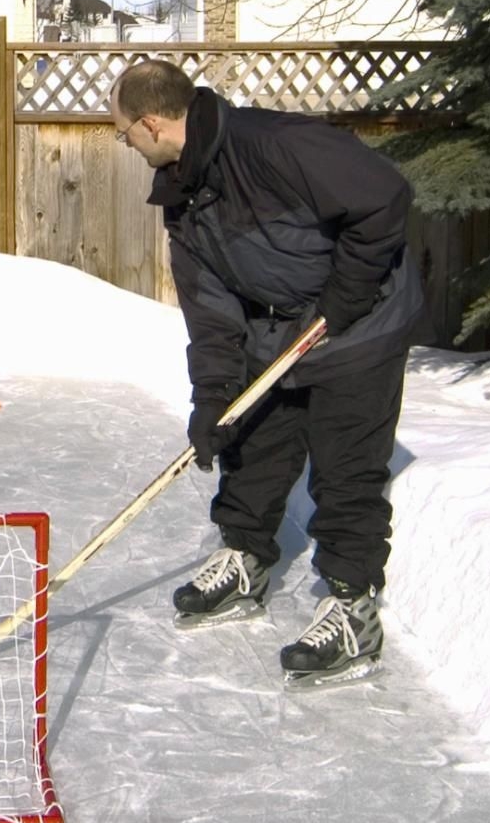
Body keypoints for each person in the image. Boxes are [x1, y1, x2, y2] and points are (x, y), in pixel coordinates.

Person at [108, 59, 423, 682]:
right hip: (275, 323)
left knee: (345, 467)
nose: (124, 142)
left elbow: (385, 199)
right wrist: (213, 398)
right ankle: (247, 559)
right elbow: (210, 305)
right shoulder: (183, 188)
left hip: (360, 322)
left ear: (151, 123)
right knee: (249, 439)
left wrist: (341, 302)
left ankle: (353, 608)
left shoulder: (276, 144)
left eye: (124, 132)